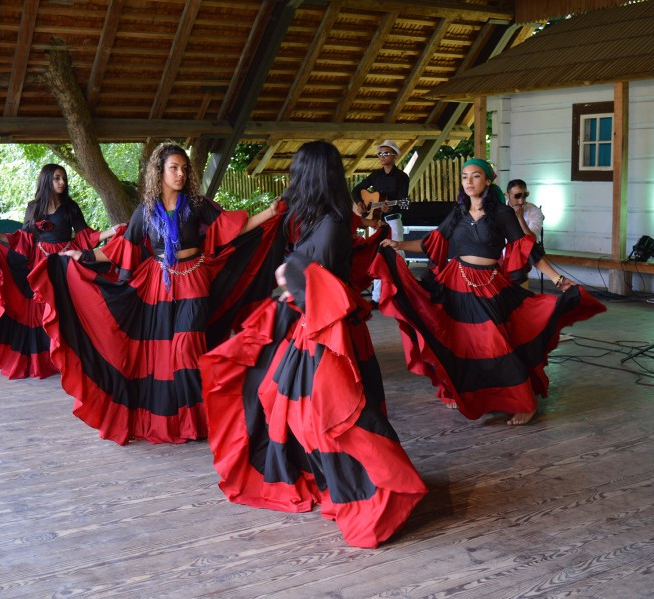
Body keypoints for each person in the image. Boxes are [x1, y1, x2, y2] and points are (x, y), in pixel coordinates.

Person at [199, 141, 428, 549]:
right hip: (314, 329)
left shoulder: (332, 224)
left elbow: (320, 282)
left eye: (297, 173)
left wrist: (290, 274)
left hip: (327, 334)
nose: (292, 180)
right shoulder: (321, 218)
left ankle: (384, 493)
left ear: (310, 176)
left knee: (332, 418)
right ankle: (340, 481)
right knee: (294, 410)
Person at [33, 143, 284, 446]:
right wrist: (82, 255)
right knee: (165, 355)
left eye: (184, 168)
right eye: (174, 168)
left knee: (186, 347)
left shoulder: (195, 203)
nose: (180, 173)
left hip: (193, 278)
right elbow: (123, 247)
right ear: (160, 172)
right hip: (159, 283)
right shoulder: (146, 211)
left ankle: (203, 419)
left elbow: (233, 228)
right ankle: (185, 423)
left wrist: (270, 212)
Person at [376, 158, 606, 425]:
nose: (469, 181)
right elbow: (431, 244)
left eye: (475, 176)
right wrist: (398, 244)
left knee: (497, 345)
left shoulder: (501, 213)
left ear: (487, 180)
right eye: (465, 177)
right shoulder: (458, 213)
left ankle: (524, 402)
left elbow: (527, 249)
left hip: (489, 285)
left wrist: (557, 279)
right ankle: (459, 390)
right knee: (459, 343)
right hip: (456, 283)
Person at [0, 163, 115, 379]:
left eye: (64, 178)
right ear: (47, 180)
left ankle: (69, 358)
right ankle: (45, 361)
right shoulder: (34, 207)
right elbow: (26, 237)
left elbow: (86, 236)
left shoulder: (70, 207)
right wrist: (2, 238)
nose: (62, 182)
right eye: (57, 178)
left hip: (64, 262)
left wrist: (114, 231)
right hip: (39, 262)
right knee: (40, 311)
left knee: (66, 308)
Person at [351, 141, 409, 309]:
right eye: (380, 154)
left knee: (397, 254)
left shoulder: (401, 177)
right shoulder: (375, 175)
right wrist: (360, 203)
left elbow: (402, 200)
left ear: (395, 156)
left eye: (386, 154)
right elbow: (357, 190)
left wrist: (390, 206)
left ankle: (402, 294)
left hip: (392, 219)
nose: (382, 157)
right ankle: (377, 298)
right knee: (377, 256)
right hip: (375, 222)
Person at [505, 179, 545, 288]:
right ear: (507, 195)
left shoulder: (534, 211)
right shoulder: (500, 209)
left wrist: (520, 218)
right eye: (517, 196)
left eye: (524, 195)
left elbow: (532, 239)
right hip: (500, 256)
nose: (521, 201)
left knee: (520, 293)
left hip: (520, 259)